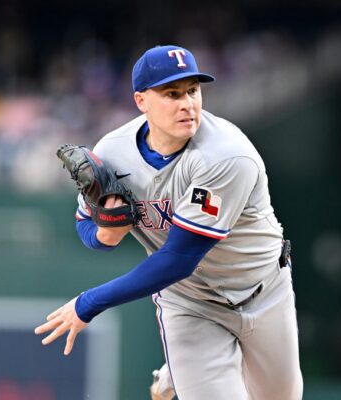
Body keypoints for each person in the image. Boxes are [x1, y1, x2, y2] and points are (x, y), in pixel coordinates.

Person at [35, 44, 303, 400]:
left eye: (193, 90)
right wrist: (104, 233)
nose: (187, 103)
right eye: (171, 94)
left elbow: (179, 258)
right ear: (141, 101)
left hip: (262, 290)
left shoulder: (226, 154)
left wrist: (90, 302)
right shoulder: (114, 152)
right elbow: (85, 225)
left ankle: (179, 371)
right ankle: (189, 365)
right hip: (190, 303)